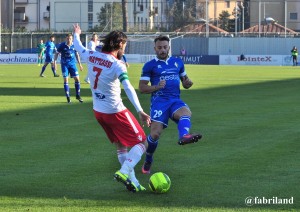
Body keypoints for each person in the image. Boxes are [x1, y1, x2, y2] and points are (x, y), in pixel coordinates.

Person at [73, 23, 151, 192]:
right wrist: (140, 110)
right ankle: (124, 171)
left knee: (121, 145)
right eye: (125, 45)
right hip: (116, 111)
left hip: (98, 112)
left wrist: (77, 34)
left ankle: (133, 182)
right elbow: (128, 87)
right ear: (120, 44)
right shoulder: (117, 65)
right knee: (143, 142)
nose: (125, 49)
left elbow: (78, 47)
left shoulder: (92, 55)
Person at [139, 35, 202, 174]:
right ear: (155, 48)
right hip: (159, 103)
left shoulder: (177, 62)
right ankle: (148, 158)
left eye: (165, 47)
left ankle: (184, 136)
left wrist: (187, 83)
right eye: (159, 47)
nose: (162, 50)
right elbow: (142, 88)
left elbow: (185, 80)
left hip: (175, 100)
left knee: (186, 113)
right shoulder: (150, 65)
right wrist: (156, 87)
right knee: (155, 135)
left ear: (169, 47)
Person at [53, 34, 83, 103]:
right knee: (66, 80)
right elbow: (56, 53)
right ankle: (68, 98)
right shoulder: (62, 45)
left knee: (77, 79)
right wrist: (55, 62)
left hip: (72, 65)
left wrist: (80, 64)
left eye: (70, 38)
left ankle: (78, 95)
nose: (69, 40)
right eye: (67, 38)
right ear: (66, 39)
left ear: (72, 39)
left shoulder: (74, 45)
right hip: (64, 65)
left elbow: (77, 54)